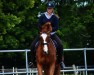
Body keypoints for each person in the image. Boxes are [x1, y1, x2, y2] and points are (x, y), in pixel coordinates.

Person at [30, 1, 63, 68]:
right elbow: (39, 25)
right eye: (48, 8)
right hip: (43, 34)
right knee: (32, 45)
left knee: (60, 45)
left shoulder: (55, 17)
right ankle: (33, 62)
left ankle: (60, 61)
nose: (49, 10)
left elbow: (56, 27)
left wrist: (50, 31)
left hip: (52, 34)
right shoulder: (42, 16)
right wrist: (43, 31)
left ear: (52, 9)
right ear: (46, 8)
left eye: (50, 8)